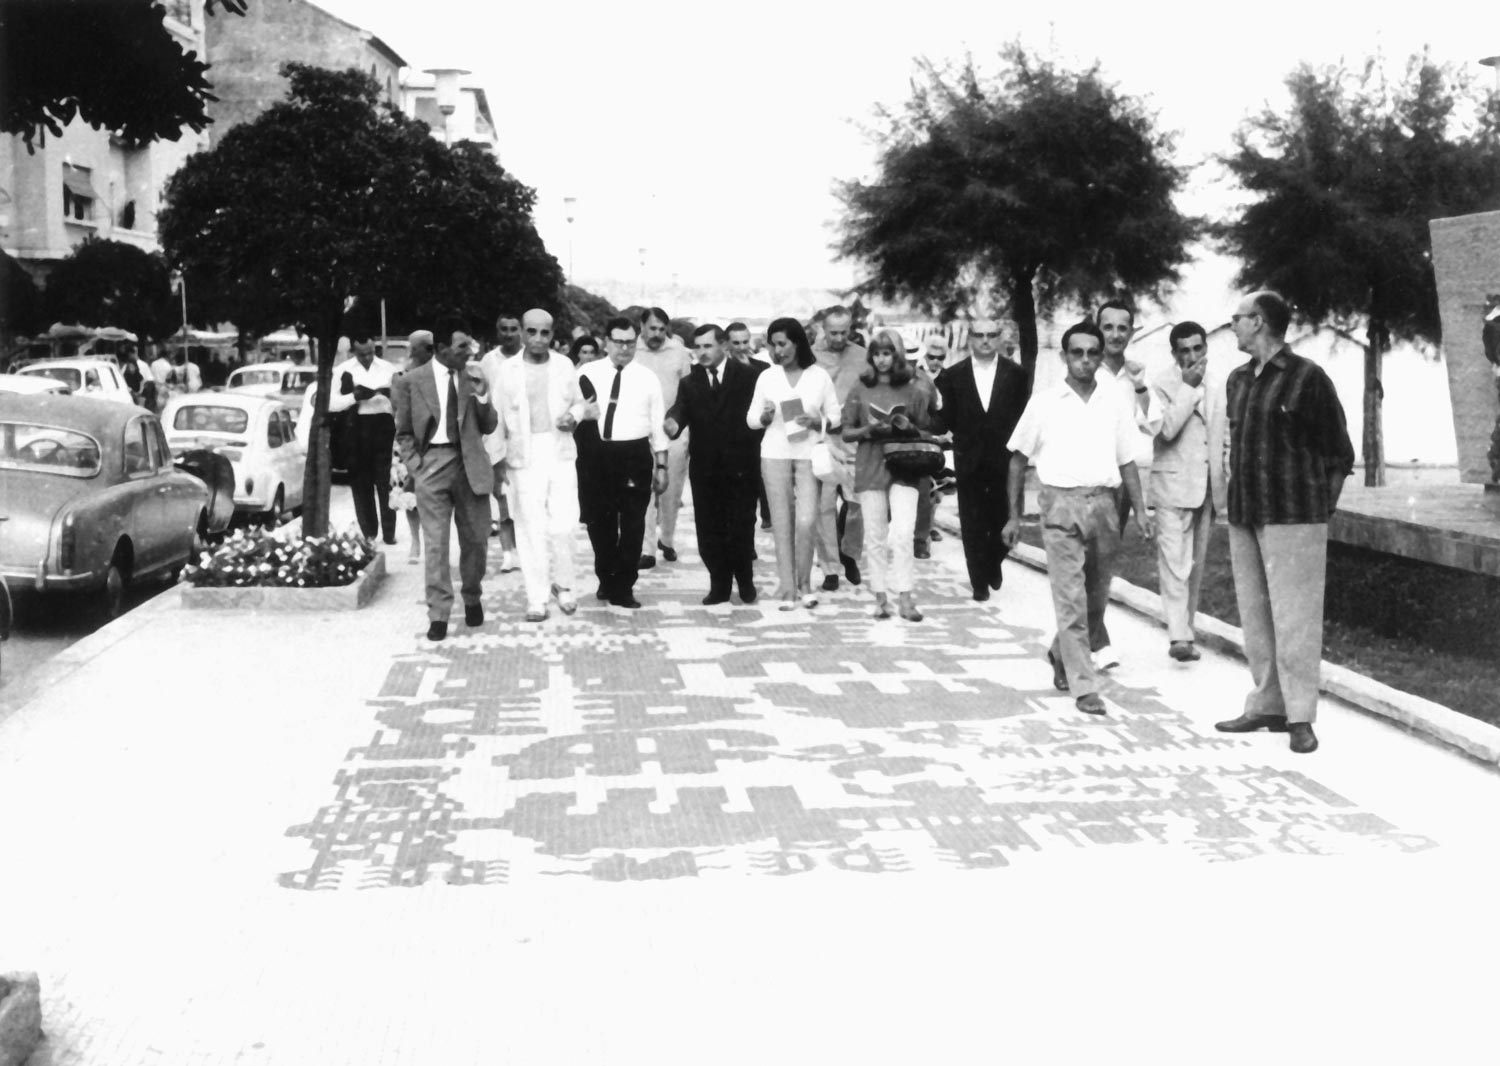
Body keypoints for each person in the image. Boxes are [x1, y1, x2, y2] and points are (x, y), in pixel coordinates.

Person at [1215, 291, 1354, 754]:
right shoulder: (1237, 380)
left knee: (1296, 621)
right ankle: (1267, 705)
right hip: (1247, 512)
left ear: (1259, 322)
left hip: (1296, 514)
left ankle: (1300, 717)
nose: (1232, 326)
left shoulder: (1307, 378)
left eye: (1237, 319)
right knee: (1256, 617)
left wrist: (1321, 509)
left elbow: (1339, 452)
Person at [1002, 320, 1153, 715]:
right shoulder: (1045, 402)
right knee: (1070, 599)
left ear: (1101, 357)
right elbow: (1017, 461)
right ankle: (1085, 686)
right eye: (1077, 353)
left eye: (1092, 353)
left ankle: (1059, 652)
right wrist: (1014, 517)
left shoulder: (1115, 402)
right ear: (1065, 356)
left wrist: (1140, 509)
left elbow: (1128, 460)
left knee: (1095, 600)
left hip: (1104, 506)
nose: (1085, 360)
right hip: (1060, 507)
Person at [393, 329, 499, 641]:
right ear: (441, 348)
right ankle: (438, 613)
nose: (469, 351)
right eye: (462, 346)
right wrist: (417, 466)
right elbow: (403, 432)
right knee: (436, 544)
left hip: (470, 466)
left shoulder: (473, 376)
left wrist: (482, 396)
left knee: (476, 540)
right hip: (432, 465)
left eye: (470, 343)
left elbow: (489, 424)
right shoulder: (412, 381)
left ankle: (472, 595)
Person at [665, 323, 766, 605]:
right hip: (705, 470)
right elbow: (679, 410)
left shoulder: (749, 377)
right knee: (709, 530)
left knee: (742, 526)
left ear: (723, 345)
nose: (701, 352)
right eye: (697, 347)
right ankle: (719, 585)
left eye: (707, 346)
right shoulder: (690, 382)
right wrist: (672, 423)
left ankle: (745, 581)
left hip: (741, 466)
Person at [496, 309, 585, 622]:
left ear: (552, 334)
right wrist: (497, 464)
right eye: (531, 331)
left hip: (559, 451)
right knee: (530, 526)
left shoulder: (564, 365)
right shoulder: (507, 370)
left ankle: (566, 585)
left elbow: (579, 402)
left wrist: (572, 416)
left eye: (544, 333)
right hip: (523, 455)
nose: (537, 339)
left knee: (565, 525)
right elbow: (496, 420)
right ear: (522, 332)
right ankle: (537, 596)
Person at [747, 317, 842, 611]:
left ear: (797, 343)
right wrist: (764, 417)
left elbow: (836, 418)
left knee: (806, 520)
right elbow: (751, 420)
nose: (777, 351)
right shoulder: (767, 377)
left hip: (807, 455)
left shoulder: (818, 376)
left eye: (782, 344)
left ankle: (805, 584)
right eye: (772, 345)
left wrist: (818, 422)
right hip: (774, 454)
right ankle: (788, 588)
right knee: (782, 524)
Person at [933, 318, 1030, 602]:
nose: (985, 340)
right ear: (970, 339)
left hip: (1004, 457)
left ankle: (994, 560)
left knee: (1001, 516)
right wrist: (924, 419)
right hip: (969, 457)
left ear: (1000, 338)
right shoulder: (953, 375)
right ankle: (978, 580)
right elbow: (946, 418)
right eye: (979, 335)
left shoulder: (1016, 375)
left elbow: (1023, 416)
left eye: (991, 335)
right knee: (973, 521)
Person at [841, 329, 934, 621]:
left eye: (888, 353)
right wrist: (869, 430)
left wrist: (908, 427)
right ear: (871, 355)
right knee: (875, 535)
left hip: (904, 465)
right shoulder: (860, 386)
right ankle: (880, 597)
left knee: (903, 533)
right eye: (877, 353)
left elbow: (928, 428)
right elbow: (846, 431)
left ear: (898, 354)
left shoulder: (914, 386)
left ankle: (905, 596)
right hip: (870, 464)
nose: (882, 360)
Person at [576, 316, 669, 609]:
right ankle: (606, 576)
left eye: (630, 342)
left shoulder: (647, 377)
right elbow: (574, 412)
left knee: (633, 524)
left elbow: (657, 425)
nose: (624, 348)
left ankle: (624, 585)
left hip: (634, 456)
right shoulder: (587, 372)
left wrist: (662, 466)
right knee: (598, 523)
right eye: (618, 342)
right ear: (606, 342)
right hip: (597, 456)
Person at [1148, 321, 1227, 663]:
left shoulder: (1219, 383)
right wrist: (1188, 387)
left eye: (1198, 348)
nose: (1192, 356)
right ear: (1174, 353)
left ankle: (1185, 631)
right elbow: (1164, 430)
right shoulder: (1160, 384)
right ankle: (1178, 636)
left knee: (1195, 565)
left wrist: (1226, 475)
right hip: (1171, 484)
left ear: (1206, 348)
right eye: (1185, 351)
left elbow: (1224, 434)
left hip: (1207, 486)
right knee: (1173, 562)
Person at [810, 306, 866, 590]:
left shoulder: (861, 356)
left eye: (844, 332)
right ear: (823, 328)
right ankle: (830, 568)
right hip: (822, 439)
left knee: (857, 503)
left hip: (854, 439)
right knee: (824, 506)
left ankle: (850, 553)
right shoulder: (809, 357)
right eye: (833, 332)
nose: (839, 338)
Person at [329, 328, 400, 544]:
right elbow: (332, 403)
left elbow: (400, 403)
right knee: (361, 483)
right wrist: (354, 396)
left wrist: (389, 395)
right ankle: (369, 532)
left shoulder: (389, 369)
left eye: (370, 352)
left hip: (383, 426)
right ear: (353, 351)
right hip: (356, 427)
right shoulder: (342, 370)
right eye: (362, 354)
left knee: (385, 481)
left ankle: (389, 533)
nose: (367, 358)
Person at [634, 307, 691, 569]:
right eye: (652, 328)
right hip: (639, 431)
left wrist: (677, 419)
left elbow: (688, 391)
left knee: (670, 489)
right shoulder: (631, 350)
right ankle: (646, 548)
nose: (656, 334)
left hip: (673, 431)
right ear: (642, 327)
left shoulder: (679, 352)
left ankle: (666, 539)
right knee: (643, 490)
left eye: (661, 329)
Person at [479, 312, 522, 572]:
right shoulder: (488, 361)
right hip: (495, 438)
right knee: (502, 495)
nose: (508, 333)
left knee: (525, 499)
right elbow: (482, 397)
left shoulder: (531, 357)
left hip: (524, 437)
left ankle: (525, 550)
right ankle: (508, 553)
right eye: (503, 329)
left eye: (513, 328)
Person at [390, 330, 436, 565]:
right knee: (410, 494)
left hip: (434, 441)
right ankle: (415, 541)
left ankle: (433, 542)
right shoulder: (401, 376)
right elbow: (397, 409)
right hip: (409, 441)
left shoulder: (439, 373)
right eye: (423, 347)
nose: (429, 352)